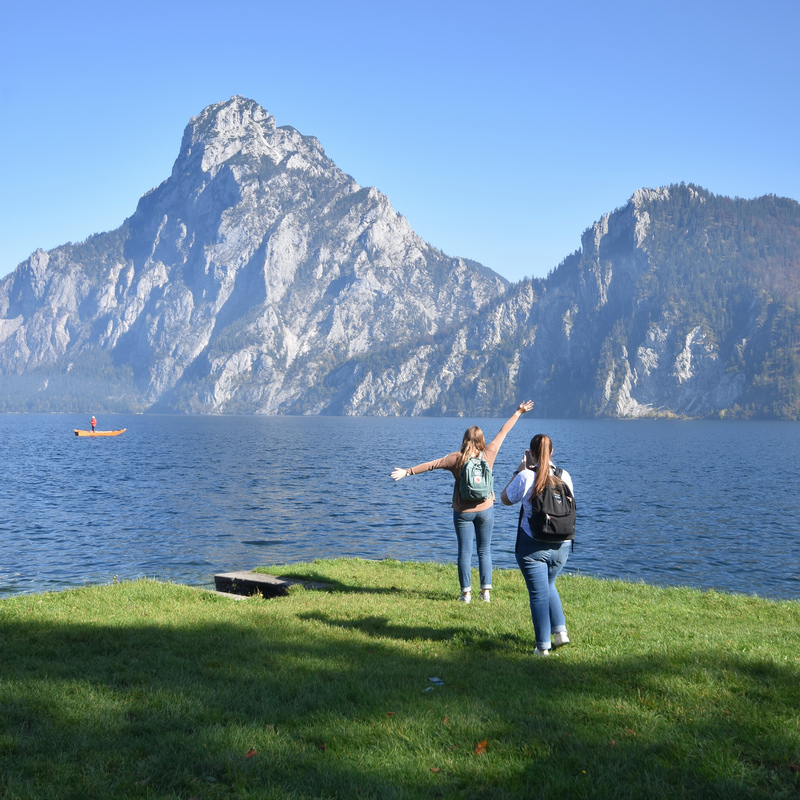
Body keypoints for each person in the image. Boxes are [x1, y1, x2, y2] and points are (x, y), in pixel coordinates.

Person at [391, 401, 534, 603]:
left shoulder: (456, 459)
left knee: (464, 552)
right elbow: (504, 432)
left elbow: (432, 465)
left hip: (462, 512)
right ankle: (486, 593)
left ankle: (465, 594)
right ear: (482, 440)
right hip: (486, 510)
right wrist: (518, 412)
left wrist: (407, 471)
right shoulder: (489, 453)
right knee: (484, 550)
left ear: (465, 439)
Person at [501, 433, 574, 656]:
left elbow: (505, 499)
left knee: (538, 594)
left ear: (531, 453)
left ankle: (543, 647)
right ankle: (560, 632)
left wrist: (518, 470)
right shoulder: (564, 476)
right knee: (548, 585)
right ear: (552, 452)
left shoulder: (525, 476)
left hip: (533, 546)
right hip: (561, 546)